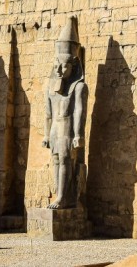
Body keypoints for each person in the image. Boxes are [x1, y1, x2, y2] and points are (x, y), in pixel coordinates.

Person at [42, 17, 88, 209]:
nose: (60, 71)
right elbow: (48, 114)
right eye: (57, 66)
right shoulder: (51, 88)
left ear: (75, 65)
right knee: (55, 160)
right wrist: (46, 134)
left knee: (65, 160)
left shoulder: (79, 86)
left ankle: (63, 197)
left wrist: (78, 135)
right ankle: (60, 195)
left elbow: (79, 111)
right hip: (55, 130)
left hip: (68, 129)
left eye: (65, 66)